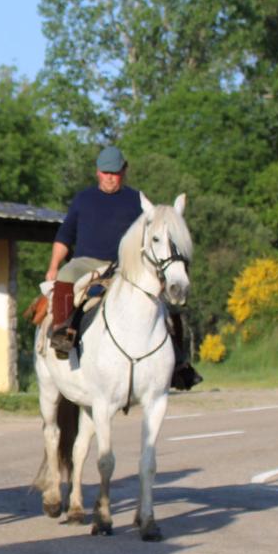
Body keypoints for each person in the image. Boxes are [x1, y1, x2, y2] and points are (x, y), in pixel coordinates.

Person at [43, 145, 200, 388]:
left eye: (115, 172)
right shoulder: (83, 199)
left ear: (124, 171)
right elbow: (64, 236)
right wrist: (53, 265)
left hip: (124, 267)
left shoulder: (136, 201)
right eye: (105, 172)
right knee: (64, 275)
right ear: (97, 172)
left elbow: (154, 236)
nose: (110, 177)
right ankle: (62, 332)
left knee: (167, 304)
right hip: (86, 263)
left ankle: (178, 363)